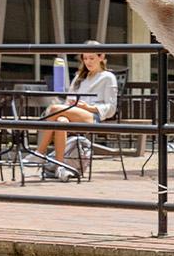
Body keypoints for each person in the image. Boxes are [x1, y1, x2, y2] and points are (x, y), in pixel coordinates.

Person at [33, 42, 117, 181]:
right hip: (74, 113)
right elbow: (68, 101)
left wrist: (88, 107)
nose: (88, 62)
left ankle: (39, 153)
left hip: (93, 116)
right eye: (85, 58)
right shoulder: (80, 77)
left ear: (101, 57)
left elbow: (111, 108)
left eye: (92, 58)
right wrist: (71, 105)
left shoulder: (108, 77)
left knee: (54, 109)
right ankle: (60, 167)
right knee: (61, 120)